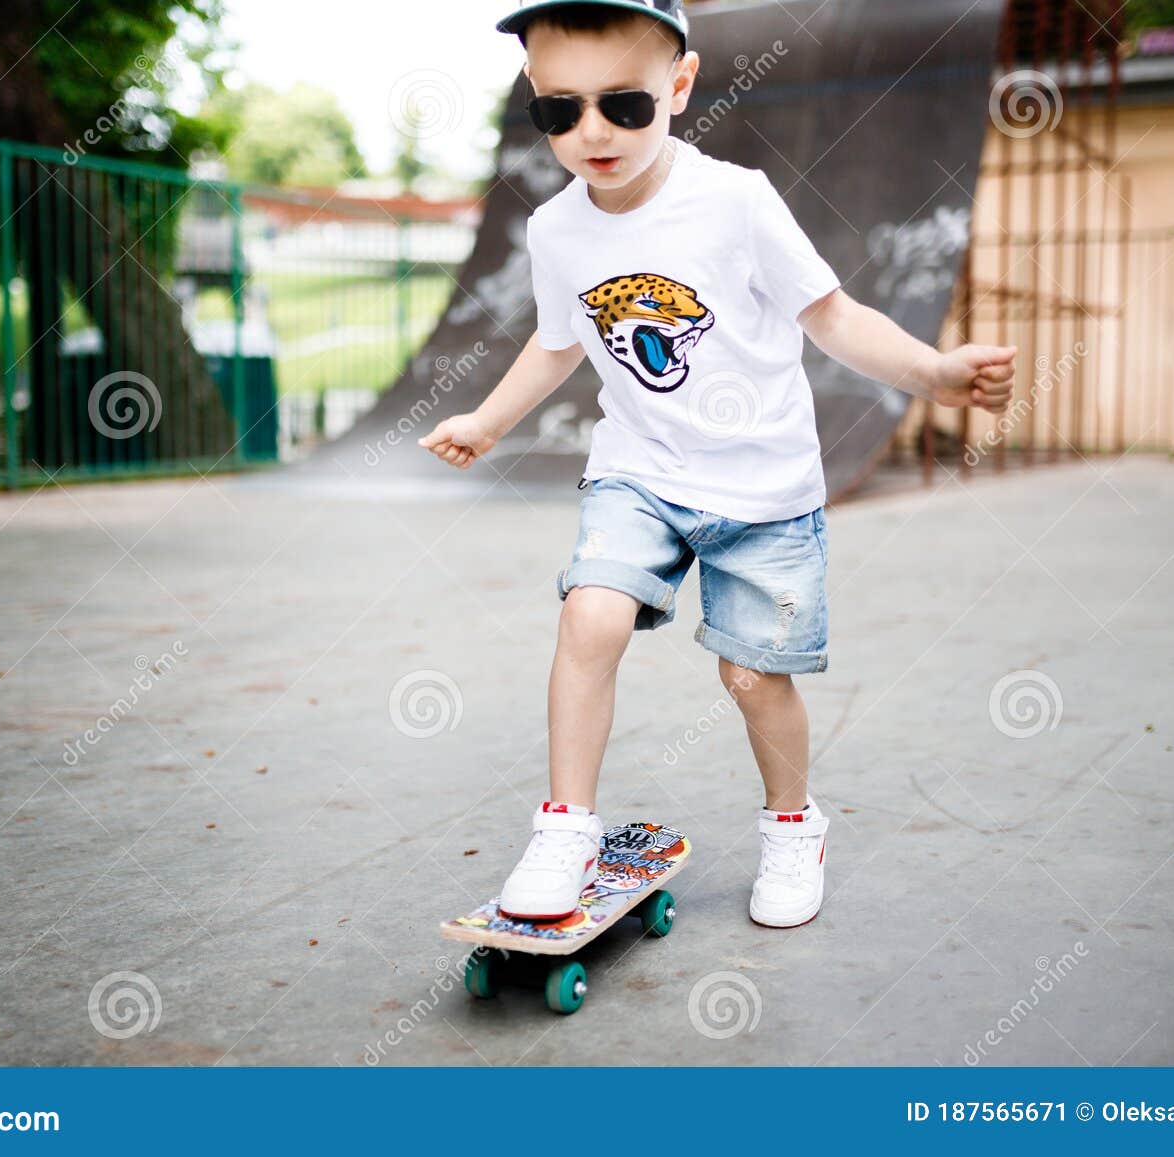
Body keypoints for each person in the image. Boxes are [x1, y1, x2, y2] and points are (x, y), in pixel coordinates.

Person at [419, 0, 1015, 928]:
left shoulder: (733, 201)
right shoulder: (556, 231)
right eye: (559, 111)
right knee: (591, 616)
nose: (592, 133)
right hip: (641, 470)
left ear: (680, 86)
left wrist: (933, 372)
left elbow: (832, 314)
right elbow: (556, 343)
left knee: (750, 677)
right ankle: (567, 825)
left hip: (764, 487)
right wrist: (488, 422)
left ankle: (792, 825)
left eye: (624, 104)